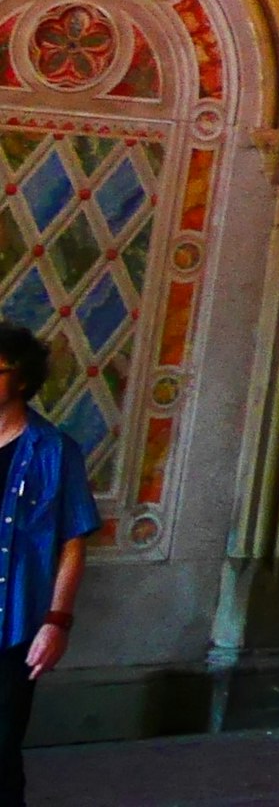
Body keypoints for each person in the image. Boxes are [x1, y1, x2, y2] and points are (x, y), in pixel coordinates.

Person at [0, 324, 99, 807]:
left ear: (20, 379)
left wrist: (56, 623)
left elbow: (73, 543)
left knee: (0, 754)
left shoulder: (54, 452)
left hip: (12, 626)